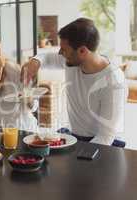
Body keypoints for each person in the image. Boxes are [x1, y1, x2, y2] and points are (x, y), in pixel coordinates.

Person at [21, 18, 127, 147]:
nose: (60, 53)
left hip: (105, 143)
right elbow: (46, 57)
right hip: (74, 135)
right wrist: (35, 62)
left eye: (64, 49)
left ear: (82, 51)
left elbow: (105, 136)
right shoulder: (71, 60)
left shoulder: (113, 80)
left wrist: (77, 156)